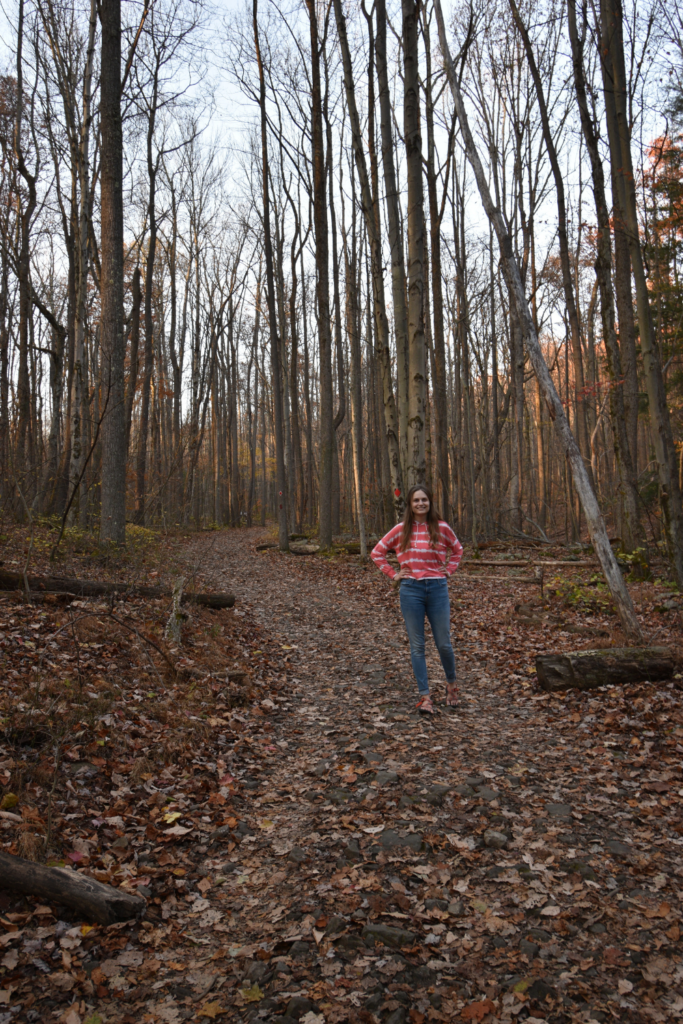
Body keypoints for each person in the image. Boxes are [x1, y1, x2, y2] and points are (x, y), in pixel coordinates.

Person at [370, 485, 463, 714]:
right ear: (410, 505)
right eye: (416, 500)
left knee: (444, 643)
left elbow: (458, 550)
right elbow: (377, 553)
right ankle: (425, 697)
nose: (420, 503)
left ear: (430, 502)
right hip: (411, 590)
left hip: (438, 589)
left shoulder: (441, 527)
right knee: (417, 646)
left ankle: (451, 685)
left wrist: (448, 570)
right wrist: (394, 574)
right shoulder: (401, 529)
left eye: (424, 500)